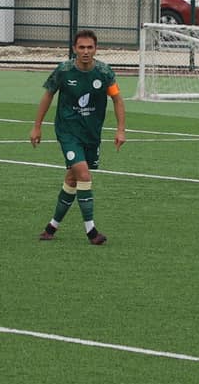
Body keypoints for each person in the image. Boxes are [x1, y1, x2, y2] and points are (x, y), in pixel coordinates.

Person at [30, 29, 127, 244]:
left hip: (91, 133)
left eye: (89, 47)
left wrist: (121, 129)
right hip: (68, 132)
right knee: (83, 175)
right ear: (74, 49)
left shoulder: (104, 72)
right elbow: (48, 95)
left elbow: (117, 99)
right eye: (81, 47)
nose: (85, 51)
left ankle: (51, 227)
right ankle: (91, 231)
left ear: (96, 49)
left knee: (72, 178)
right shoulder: (63, 70)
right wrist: (37, 127)